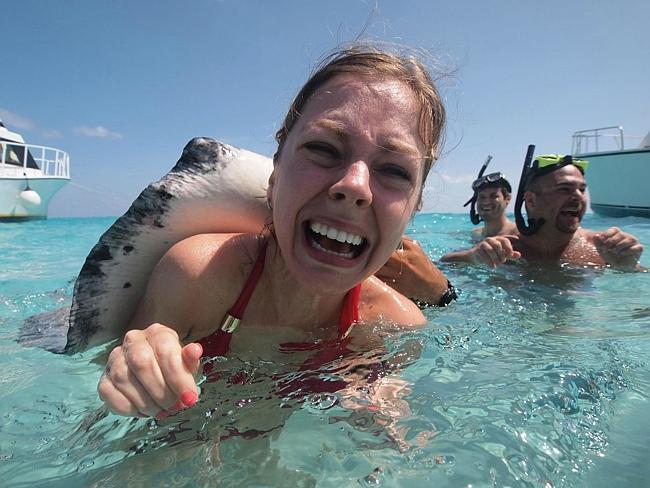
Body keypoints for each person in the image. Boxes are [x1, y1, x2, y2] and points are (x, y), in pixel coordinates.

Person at [98, 44, 449, 419]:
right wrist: (135, 369)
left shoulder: (396, 328)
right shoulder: (198, 277)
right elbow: (120, 408)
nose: (355, 186)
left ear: (414, 207)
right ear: (275, 172)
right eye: (324, 148)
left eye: (394, 171)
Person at [441, 153, 644, 269]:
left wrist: (629, 268)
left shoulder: (601, 248)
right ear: (530, 199)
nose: (578, 197)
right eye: (564, 189)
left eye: (582, 189)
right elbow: (442, 266)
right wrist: (473, 257)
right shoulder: (509, 249)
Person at [467, 172, 517, 239]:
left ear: (508, 199)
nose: (486, 202)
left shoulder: (518, 234)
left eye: (493, 196)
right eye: (482, 197)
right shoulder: (476, 234)